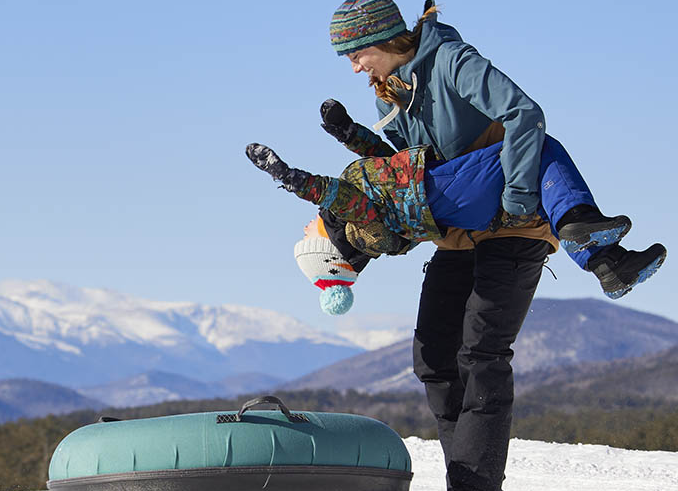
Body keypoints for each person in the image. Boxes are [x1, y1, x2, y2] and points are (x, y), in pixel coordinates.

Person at [297, 0, 661, 491]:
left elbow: (523, 113)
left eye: (357, 54)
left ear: (381, 38)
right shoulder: (389, 92)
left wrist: (515, 196)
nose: (355, 67)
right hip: (459, 230)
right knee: (432, 357)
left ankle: (477, 490)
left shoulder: (453, 61)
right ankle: (464, 480)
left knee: (482, 351)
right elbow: (413, 172)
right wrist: (355, 137)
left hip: (517, 227)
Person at [245, 128, 666, 299]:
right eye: (307, 235)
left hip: (457, 204)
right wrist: (286, 175)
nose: (305, 227)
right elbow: (339, 194)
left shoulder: (369, 229)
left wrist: (346, 131)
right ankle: (583, 230)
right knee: (533, 145)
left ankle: (607, 263)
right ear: (326, 248)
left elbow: (383, 163)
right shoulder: (358, 226)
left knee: (538, 182)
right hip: (443, 192)